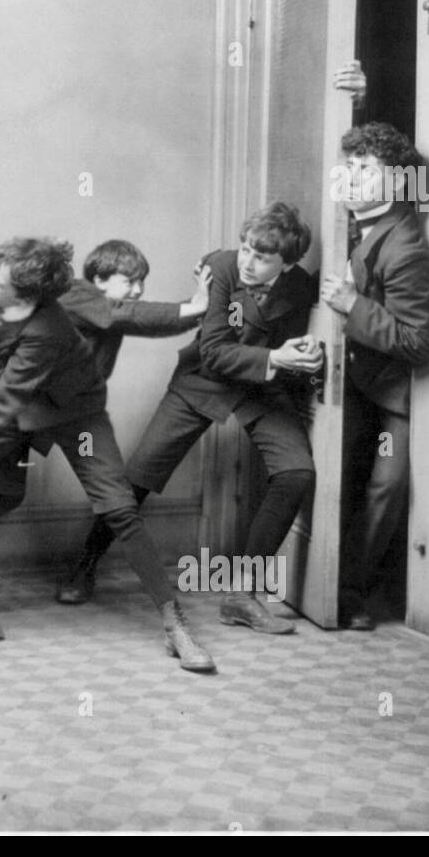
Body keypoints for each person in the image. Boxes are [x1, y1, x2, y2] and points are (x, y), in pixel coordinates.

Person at [0, 237, 217, 671]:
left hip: (76, 416)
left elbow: (123, 315)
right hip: (16, 411)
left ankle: (173, 623)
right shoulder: (32, 288)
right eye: (129, 280)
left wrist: (194, 307)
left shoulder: (62, 305)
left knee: (121, 511)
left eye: (140, 282)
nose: (136, 289)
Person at [60, 203, 323, 634]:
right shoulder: (219, 268)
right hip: (203, 380)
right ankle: (82, 566)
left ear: (288, 262)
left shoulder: (299, 286)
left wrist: (309, 353)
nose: (247, 261)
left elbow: (297, 337)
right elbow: (216, 350)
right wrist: (276, 356)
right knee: (136, 479)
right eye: (244, 249)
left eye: (261, 257)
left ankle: (244, 594)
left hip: (261, 387)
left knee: (296, 472)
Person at [323, 109, 429, 630]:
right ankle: (332, 590)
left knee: (384, 490)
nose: (350, 177)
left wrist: (353, 306)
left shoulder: (407, 246)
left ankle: (350, 595)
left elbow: (419, 342)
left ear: (396, 180)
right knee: (339, 478)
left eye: (365, 168)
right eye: (348, 166)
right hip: (357, 382)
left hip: (393, 394)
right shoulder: (355, 223)